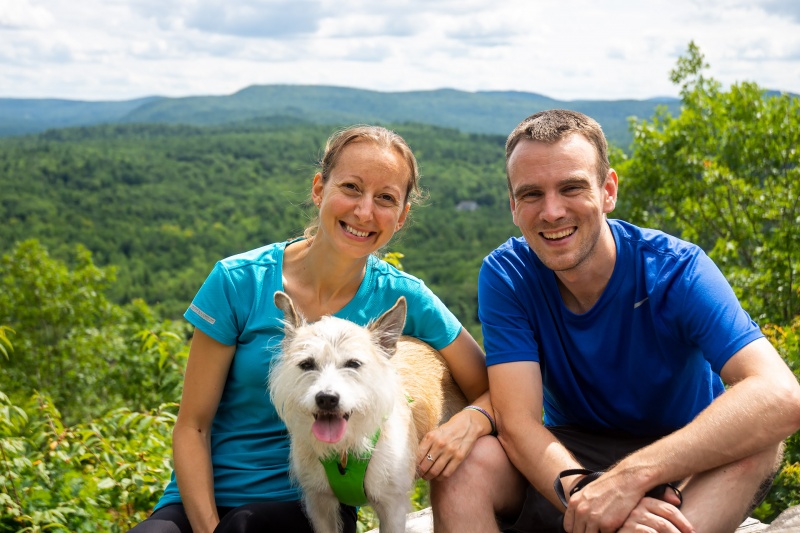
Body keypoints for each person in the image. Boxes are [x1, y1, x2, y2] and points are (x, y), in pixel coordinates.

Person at [430, 109, 800, 533]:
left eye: (572, 187)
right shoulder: (508, 275)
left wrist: (629, 480)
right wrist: (588, 492)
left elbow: (781, 394)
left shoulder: (677, 271)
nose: (551, 212)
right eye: (531, 194)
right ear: (513, 206)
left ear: (608, 190)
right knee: (463, 467)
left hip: (684, 457)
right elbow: (518, 423)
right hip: (570, 455)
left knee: (761, 441)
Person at [129, 125, 495, 533]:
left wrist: (470, 421)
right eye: (352, 188)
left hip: (308, 498)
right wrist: (206, 526)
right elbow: (192, 425)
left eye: (385, 199)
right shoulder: (238, 282)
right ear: (320, 189)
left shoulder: (405, 297)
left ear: (402, 215)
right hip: (200, 497)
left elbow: (494, 388)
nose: (364, 211)